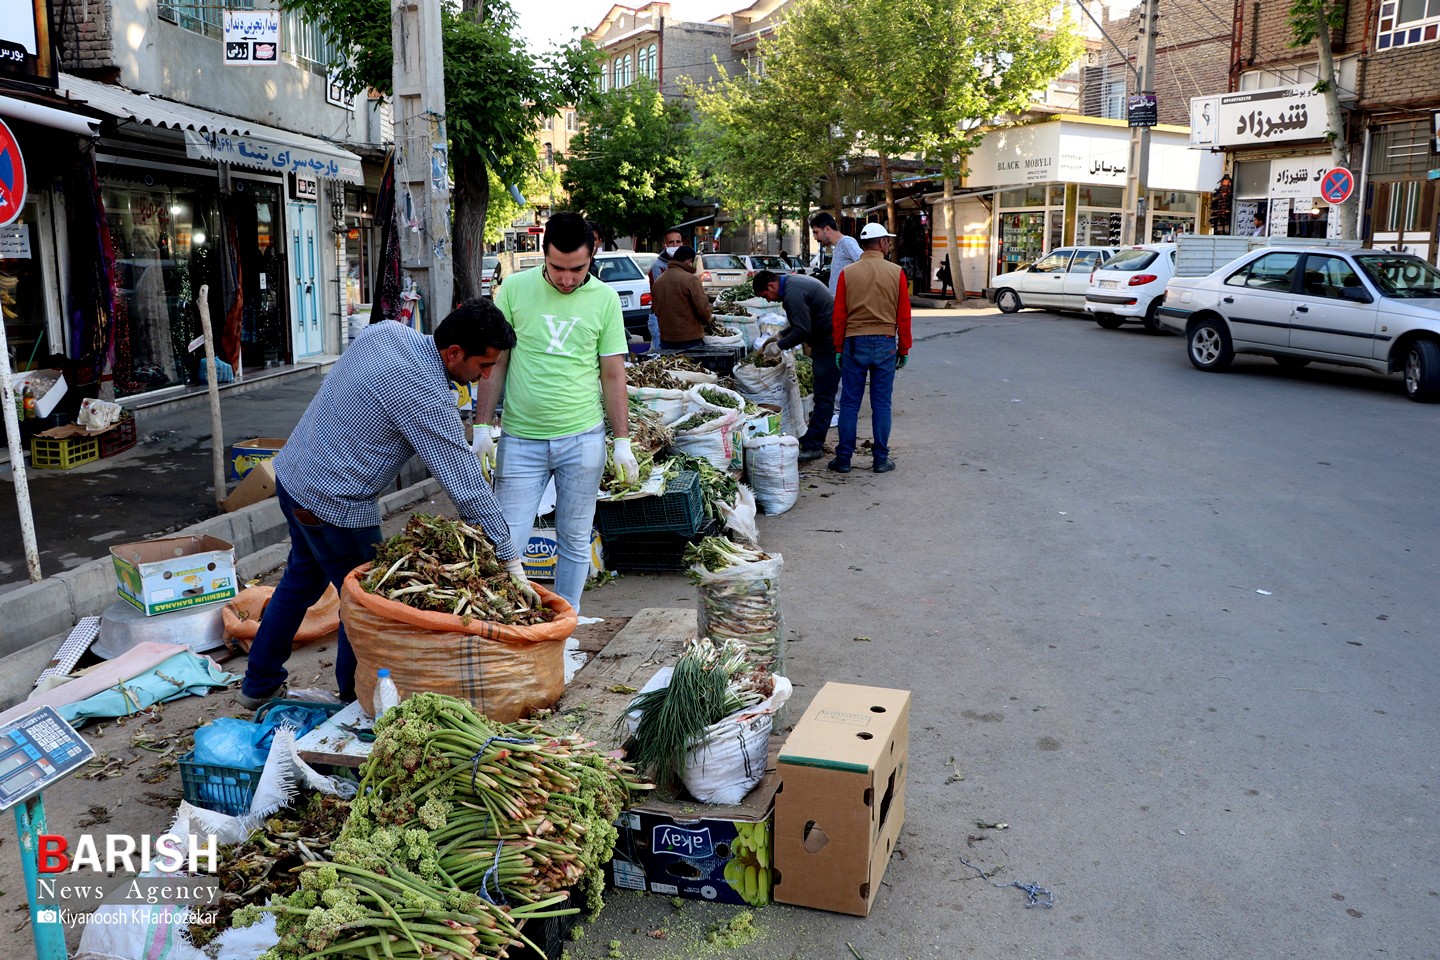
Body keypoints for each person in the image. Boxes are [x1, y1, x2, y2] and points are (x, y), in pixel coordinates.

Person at [239, 299, 523, 707]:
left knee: (300, 582)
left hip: (293, 475)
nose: (487, 375)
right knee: (368, 604)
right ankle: (358, 701)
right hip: (334, 505)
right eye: (483, 365)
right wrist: (508, 555)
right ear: (454, 352)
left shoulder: (388, 332)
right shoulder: (421, 393)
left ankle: (258, 685)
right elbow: (465, 484)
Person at [475, 212, 638, 616]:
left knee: (574, 538)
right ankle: (509, 621)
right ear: (543, 254)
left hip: (582, 440)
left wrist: (622, 441)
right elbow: (496, 364)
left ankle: (567, 622)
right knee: (506, 538)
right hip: (520, 439)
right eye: (557, 268)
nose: (567, 279)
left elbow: (613, 375)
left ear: (593, 255)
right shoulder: (513, 290)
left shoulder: (603, 299)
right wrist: (481, 425)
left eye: (577, 269)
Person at [829, 222, 911, 475]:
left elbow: (839, 315)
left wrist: (839, 348)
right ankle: (880, 459)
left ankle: (843, 459)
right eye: (888, 241)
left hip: (854, 342)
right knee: (882, 404)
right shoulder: (896, 272)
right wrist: (904, 348)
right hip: (885, 342)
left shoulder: (848, 273)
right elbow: (904, 316)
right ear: (882, 243)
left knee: (850, 404)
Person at [752, 268, 838, 461]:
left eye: (765, 295)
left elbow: (802, 331)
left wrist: (779, 346)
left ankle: (814, 445)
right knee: (822, 393)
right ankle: (812, 440)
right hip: (826, 339)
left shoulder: (793, 293)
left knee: (824, 395)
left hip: (830, 342)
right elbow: (802, 322)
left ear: (771, 285)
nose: (768, 300)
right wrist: (780, 335)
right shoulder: (792, 285)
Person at [651, 245, 712, 351]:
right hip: (690, 339)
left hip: (666, 340)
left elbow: (656, 311)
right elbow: (703, 310)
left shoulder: (658, 282)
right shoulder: (690, 279)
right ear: (689, 261)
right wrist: (709, 322)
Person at [647, 227, 684, 349]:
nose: (675, 245)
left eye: (677, 242)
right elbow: (662, 297)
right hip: (661, 319)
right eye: (671, 242)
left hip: (678, 318)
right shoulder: (658, 267)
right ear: (665, 245)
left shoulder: (685, 264)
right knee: (661, 356)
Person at [810, 212, 863, 296]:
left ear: (827, 229)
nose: (815, 237)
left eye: (816, 232)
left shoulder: (846, 242)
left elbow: (865, 263)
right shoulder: (839, 245)